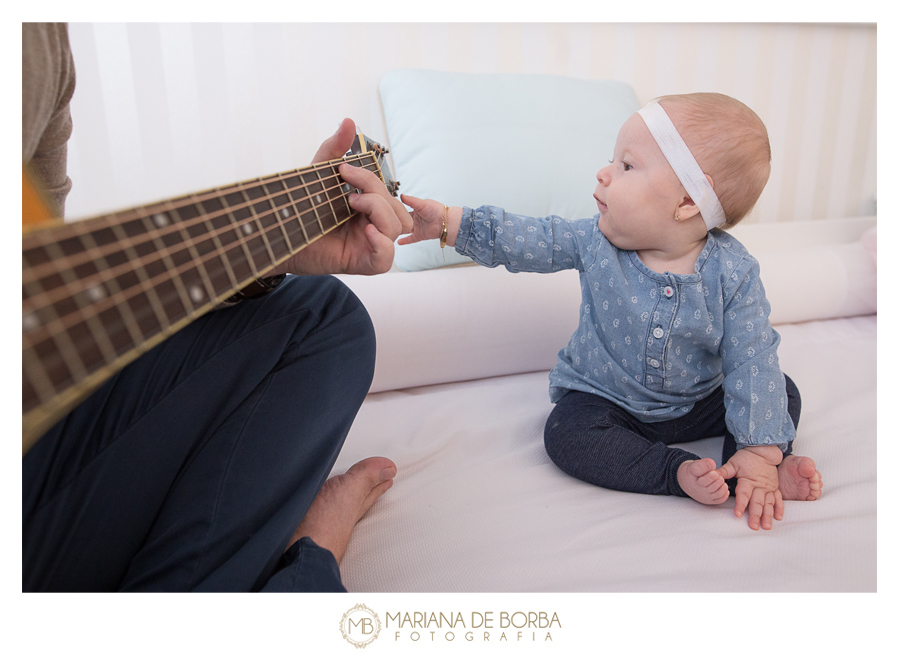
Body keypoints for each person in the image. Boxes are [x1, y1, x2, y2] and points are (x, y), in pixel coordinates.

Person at [22, 23, 411, 591]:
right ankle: (309, 563)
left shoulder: (38, 41)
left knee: (321, 317)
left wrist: (277, 252)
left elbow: (49, 310)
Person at [400, 92, 823, 532]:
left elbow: (751, 359)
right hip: (607, 399)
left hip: (698, 401)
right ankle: (674, 472)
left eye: (626, 165)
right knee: (566, 434)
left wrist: (761, 449)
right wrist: (451, 223)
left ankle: (755, 469)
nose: (603, 174)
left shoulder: (732, 272)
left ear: (686, 203)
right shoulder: (594, 241)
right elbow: (531, 239)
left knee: (778, 390)